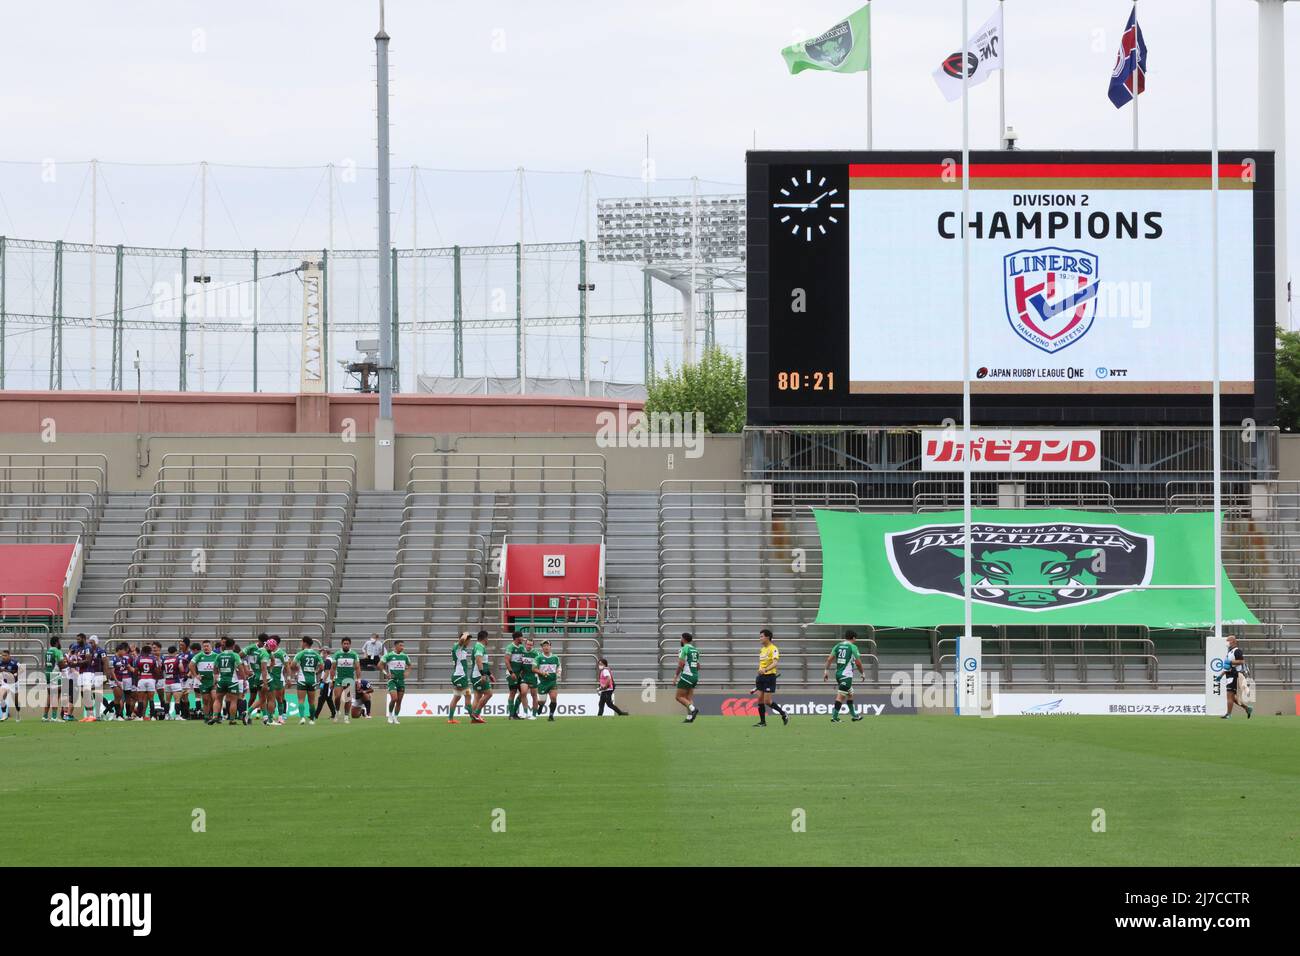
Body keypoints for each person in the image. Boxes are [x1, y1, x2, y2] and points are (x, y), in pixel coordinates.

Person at [824, 631, 866, 723]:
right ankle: (834, 717)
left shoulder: (838, 645)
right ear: (853, 638)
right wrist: (862, 673)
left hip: (838, 674)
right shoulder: (853, 647)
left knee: (850, 693)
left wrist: (826, 671)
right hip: (846, 675)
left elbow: (829, 659)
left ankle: (855, 716)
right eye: (855, 638)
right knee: (841, 696)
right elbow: (858, 663)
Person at [752, 628, 789, 728]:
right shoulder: (762, 649)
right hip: (761, 677)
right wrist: (760, 671)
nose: (760, 638)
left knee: (767, 701)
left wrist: (765, 670)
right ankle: (762, 722)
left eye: (761, 636)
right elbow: (762, 664)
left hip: (769, 677)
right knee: (760, 699)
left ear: (767, 637)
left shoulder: (774, 648)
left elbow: (775, 663)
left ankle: (783, 714)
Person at [213, 637, 248, 725]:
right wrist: (244, 679)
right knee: (233, 700)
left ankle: (215, 717)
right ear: (233, 645)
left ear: (225, 645)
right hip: (232, 681)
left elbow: (215, 669)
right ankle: (232, 720)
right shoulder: (235, 655)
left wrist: (216, 678)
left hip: (221, 680)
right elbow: (240, 668)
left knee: (218, 699)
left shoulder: (219, 655)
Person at [291, 636, 324, 725]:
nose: (301, 644)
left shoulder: (300, 653)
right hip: (312, 680)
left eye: (302, 642)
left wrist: (297, 670)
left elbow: (292, 665)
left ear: (305, 643)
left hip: (302, 680)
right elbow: (322, 667)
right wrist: (316, 672)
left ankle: (302, 718)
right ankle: (312, 720)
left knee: (301, 700)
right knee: (311, 701)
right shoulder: (316, 654)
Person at [1221, 634, 1254, 720]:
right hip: (1229, 675)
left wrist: (1231, 662)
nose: (1227, 642)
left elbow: (1242, 661)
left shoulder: (1237, 651)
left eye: (1228, 640)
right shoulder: (1229, 652)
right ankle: (1247, 708)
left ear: (1233, 641)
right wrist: (1221, 675)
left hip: (1234, 675)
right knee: (1232, 697)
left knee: (1229, 695)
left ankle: (1228, 714)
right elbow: (1228, 666)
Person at [330, 637, 362, 723]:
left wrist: (358, 681)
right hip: (339, 679)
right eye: (344, 643)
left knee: (348, 699)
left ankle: (346, 716)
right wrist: (331, 680)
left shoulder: (354, 654)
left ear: (350, 645)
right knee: (337, 697)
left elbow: (358, 668)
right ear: (342, 644)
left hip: (349, 679)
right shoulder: (337, 654)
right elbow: (333, 668)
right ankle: (337, 712)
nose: (346, 645)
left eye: (347, 644)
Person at [380, 640, 411, 725]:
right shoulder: (389, 655)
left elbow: (410, 665)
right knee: (394, 698)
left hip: (401, 681)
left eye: (403, 646)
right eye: (400, 645)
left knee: (399, 701)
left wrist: (407, 672)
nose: (402, 647)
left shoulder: (405, 656)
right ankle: (390, 715)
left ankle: (396, 717)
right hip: (392, 680)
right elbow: (380, 665)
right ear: (396, 646)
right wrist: (386, 673)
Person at [448, 632, 474, 724]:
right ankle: (473, 717)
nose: (469, 642)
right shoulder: (458, 647)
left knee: (456, 697)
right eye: (468, 640)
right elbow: (461, 640)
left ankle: (450, 719)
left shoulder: (462, 648)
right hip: (460, 677)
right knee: (468, 695)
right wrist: (465, 634)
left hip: (457, 676)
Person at [674, 632, 700, 723]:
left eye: (681, 638)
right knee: (688, 698)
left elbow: (680, 664)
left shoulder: (684, 649)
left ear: (684, 639)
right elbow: (698, 666)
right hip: (695, 676)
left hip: (686, 676)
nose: (680, 640)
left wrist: (675, 676)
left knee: (678, 697)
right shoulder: (695, 650)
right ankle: (689, 717)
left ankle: (693, 709)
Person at [190, 640, 218, 722]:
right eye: (204, 646)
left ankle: (215, 716)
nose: (206, 648)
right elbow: (191, 665)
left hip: (213, 681)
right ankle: (206, 717)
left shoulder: (216, 656)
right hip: (203, 682)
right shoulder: (199, 656)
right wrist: (196, 675)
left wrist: (218, 675)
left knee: (214, 698)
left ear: (211, 647)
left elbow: (220, 666)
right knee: (205, 700)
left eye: (207, 646)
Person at [469, 631, 493, 724]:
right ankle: (476, 714)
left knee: (477, 696)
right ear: (485, 638)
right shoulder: (479, 646)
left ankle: (474, 719)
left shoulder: (479, 646)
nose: (488, 640)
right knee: (489, 694)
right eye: (488, 638)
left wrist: (489, 674)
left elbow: (484, 663)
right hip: (478, 675)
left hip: (476, 675)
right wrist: (483, 674)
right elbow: (478, 660)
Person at [535, 640, 562, 721]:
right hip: (542, 682)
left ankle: (551, 716)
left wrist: (558, 672)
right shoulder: (539, 658)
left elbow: (559, 666)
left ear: (550, 647)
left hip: (552, 682)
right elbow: (534, 669)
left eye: (547, 645)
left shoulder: (555, 657)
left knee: (553, 698)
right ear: (542, 648)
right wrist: (542, 673)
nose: (546, 647)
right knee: (542, 701)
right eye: (544, 646)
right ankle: (541, 706)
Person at [133, 643, 161, 721]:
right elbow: (157, 671)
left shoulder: (138, 659)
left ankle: (140, 717)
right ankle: (152, 716)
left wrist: (136, 680)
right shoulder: (153, 659)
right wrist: (155, 679)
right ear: (150, 651)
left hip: (142, 679)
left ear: (142, 651)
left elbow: (135, 671)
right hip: (151, 679)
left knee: (140, 699)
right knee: (151, 699)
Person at [518, 636, 541, 719]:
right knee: (523, 693)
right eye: (528, 644)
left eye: (531, 645)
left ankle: (534, 714)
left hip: (533, 677)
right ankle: (525, 712)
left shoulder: (536, 654)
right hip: (524, 676)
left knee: (534, 695)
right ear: (525, 644)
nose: (529, 646)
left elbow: (539, 665)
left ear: (533, 645)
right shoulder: (522, 652)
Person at [266, 637, 288, 724]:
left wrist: (289, 678)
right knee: (269, 699)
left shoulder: (281, 653)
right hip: (268, 679)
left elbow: (287, 665)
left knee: (279, 699)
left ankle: (280, 717)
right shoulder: (266, 653)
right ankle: (269, 717)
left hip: (278, 679)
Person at [504, 633, 525, 720]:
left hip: (520, 674)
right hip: (512, 673)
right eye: (521, 637)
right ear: (517, 638)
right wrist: (511, 672)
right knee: (513, 692)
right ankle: (511, 714)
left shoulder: (522, 647)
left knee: (523, 693)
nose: (522, 638)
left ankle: (514, 713)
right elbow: (506, 661)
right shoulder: (510, 647)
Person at [43, 636, 64, 722]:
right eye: (59, 641)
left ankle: (45, 716)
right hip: (55, 673)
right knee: (56, 694)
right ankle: (54, 717)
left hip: (47, 673)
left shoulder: (48, 651)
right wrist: (68, 663)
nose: (60, 643)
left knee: (49, 695)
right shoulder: (58, 651)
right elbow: (61, 664)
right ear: (57, 642)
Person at [314, 646, 338, 721]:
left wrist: (323, 682)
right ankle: (334, 714)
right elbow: (324, 670)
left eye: (321, 652)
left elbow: (327, 672)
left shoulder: (328, 660)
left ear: (325, 652)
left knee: (321, 698)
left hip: (327, 682)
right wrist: (317, 673)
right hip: (329, 681)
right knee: (328, 699)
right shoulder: (330, 660)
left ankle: (315, 715)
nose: (321, 654)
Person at [0, 649, 19, 721]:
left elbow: (22, 670)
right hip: (5, 684)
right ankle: (4, 715)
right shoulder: (0, 663)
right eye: (2, 655)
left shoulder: (15, 663)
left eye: (5, 655)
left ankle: (18, 713)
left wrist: (16, 673)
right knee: (1, 697)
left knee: (16, 702)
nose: (3, 657)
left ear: (9, 656)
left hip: (14, 684)